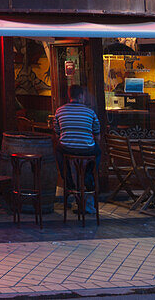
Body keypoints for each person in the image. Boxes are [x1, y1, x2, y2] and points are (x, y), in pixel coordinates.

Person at [54, 84, 101, 214]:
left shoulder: (59, 111)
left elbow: (57, 133)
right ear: (81, 96)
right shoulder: (90, 112)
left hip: (66, 149)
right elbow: (97, 135)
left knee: (58, 149)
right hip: (87, 150)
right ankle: (89, 176)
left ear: (70, 96)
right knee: (98, 151)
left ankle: (68, 180)